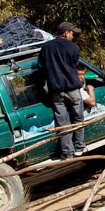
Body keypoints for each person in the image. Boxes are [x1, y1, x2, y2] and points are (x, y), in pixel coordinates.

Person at [38, 22, 85, 159]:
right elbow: (75, 65)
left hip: (56, 91)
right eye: (72, 33)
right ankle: (79, 146)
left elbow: (41, 68)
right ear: (66, 33)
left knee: (62, 123)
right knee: (78, 118)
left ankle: (67, 152)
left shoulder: (46, 48)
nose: (73, 36)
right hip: (72, 89)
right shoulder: (73, 48)